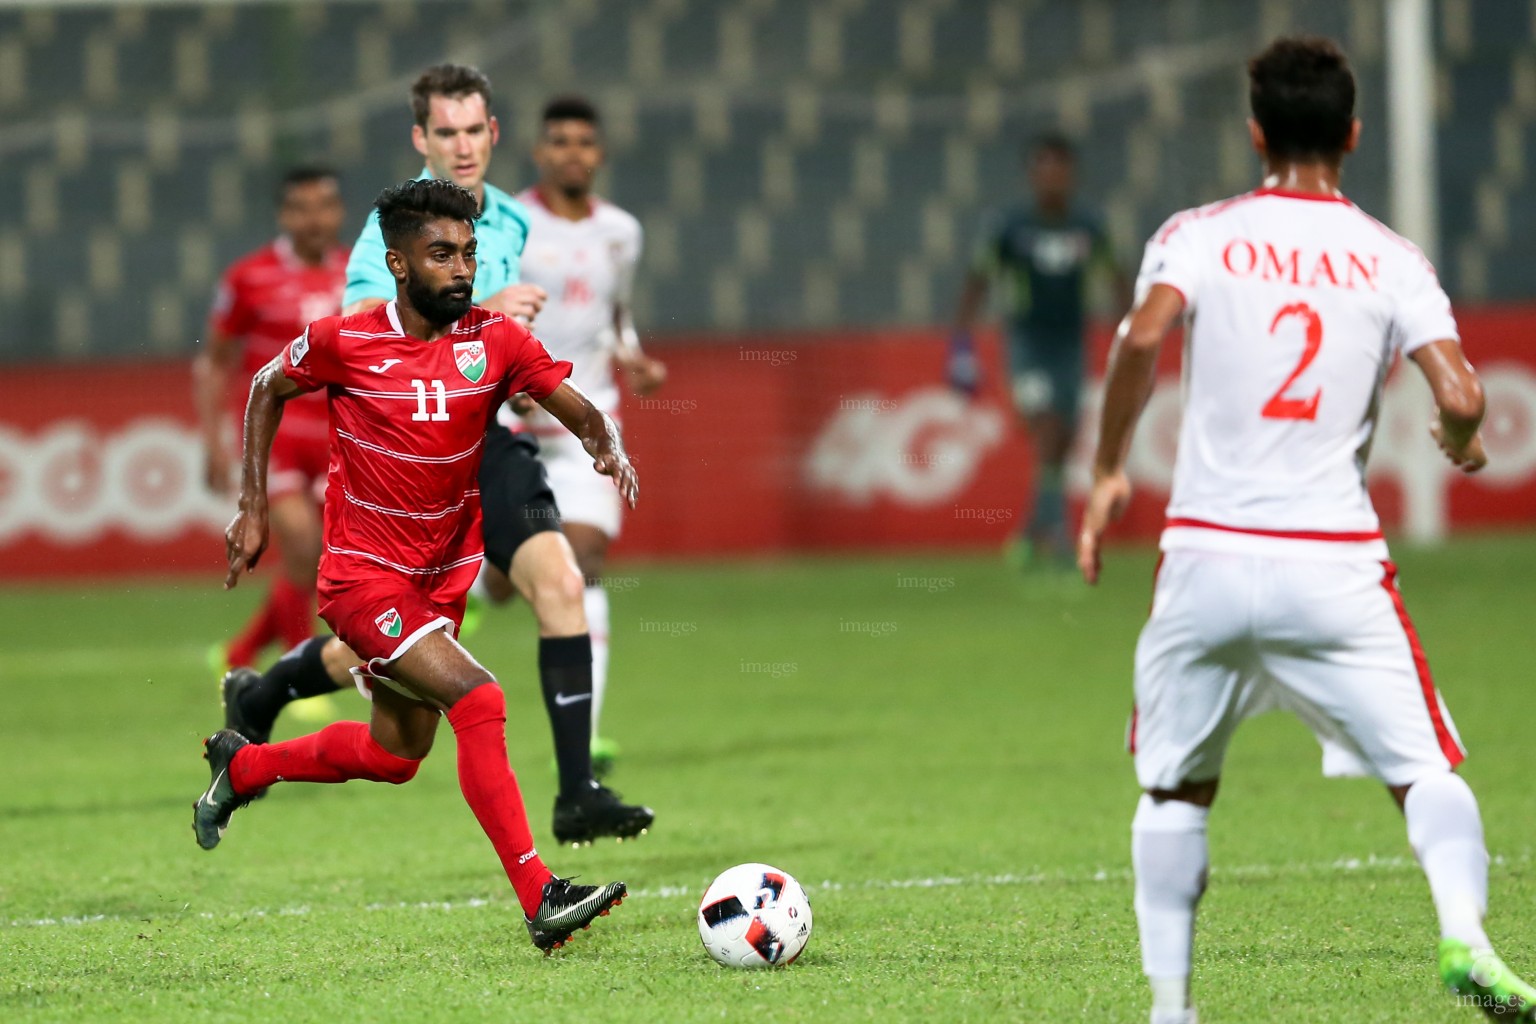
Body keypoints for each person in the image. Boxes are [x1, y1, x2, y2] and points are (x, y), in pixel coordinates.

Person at [1076, 36, 1536, 1023]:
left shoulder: (1199, 233)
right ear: (1354, 135)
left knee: (1173, 788)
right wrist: (1458, 438)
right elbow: (1459, 390)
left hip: (1203, 557)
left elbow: (1142, 336)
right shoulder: (1388, 256)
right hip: (1331, 565)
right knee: (1423, 770)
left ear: (1255, 133)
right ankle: (1469, 934)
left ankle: (1171, 1006)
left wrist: (1111, 469)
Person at [220, 64, 653, 845]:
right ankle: (275, 688)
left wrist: (533, 376)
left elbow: (506, 343)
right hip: (422, 449)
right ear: (422, 138)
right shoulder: (402, 227)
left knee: (559, 579)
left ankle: (577, 790)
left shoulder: (512, 223)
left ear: (494, 134)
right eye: (444, 132)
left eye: (473, 130)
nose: (461, 146)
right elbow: (365, 328)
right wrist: (485, 314)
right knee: (414, 677)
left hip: (496, 439)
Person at [196, 178, 631, 954]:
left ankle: (247, 766)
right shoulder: (347, 340)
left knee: (395, 755)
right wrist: (254, 505)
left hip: (441, 576)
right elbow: (265, 386)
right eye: (441, 254)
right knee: (480, 698)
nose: (460, 269)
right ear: (398, 264)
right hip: (363, 577)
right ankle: (542, 893)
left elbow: (564, 395)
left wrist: (603, 439)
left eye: (467, 253)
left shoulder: (493, 340)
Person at [501, 95, 666, 776]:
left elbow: (616, 313)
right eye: (559, 141)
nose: (572, 152)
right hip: (513, 417)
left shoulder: (622, 232)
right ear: (540, 152)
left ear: (599, 154)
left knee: (583, 559)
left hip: (588, 418)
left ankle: (586, 733)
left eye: (584, 142)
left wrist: (632, 354)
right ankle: (482, 588)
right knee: (510, 576)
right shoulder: (509, 222)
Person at [950, 134, 1128, 567]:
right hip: (1027, 344)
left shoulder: (1089, 226)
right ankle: (1062, 540)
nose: (1052, 176)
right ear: (1032, 174)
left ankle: (1030, 533)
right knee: (1047, 427)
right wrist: (960, 347)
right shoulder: (1010, 226)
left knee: (1062, 443)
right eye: (1043, 167)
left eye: (1059, 168)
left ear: (1070, 174)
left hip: (1070, 343)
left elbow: (1116, 278)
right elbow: (978, 281)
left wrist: (1132, 330)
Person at [195, 166, 347, 669]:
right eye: (301, 208)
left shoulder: (358, 273)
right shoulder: (248, 277)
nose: (314, 218)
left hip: (335, 436)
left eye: (324, 205)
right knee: (302, 543)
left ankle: (240, 652)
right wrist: (214, 443)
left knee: (319, 554)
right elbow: (215, 360)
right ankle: (296, 664)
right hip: (275, 435)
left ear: (339, 211)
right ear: (284, 215)